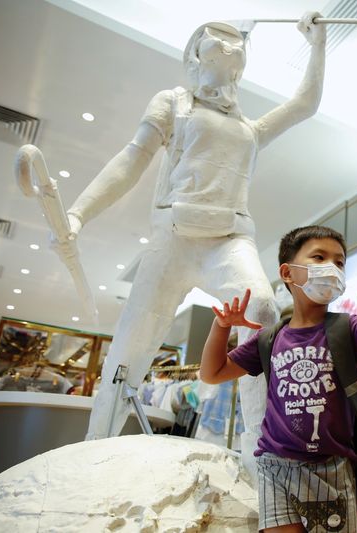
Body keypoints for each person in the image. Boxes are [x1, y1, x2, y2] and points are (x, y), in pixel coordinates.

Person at [62, 12, 328, 443]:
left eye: (233, 50)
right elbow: (132, 158)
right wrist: (79, 212)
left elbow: (305, 104)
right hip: (174, 237)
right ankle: (96, 446)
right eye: (215, 45)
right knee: (131, 344)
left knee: (260, 308)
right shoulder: (173, 103)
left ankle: (260, 447)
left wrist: (317, 44)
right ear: (195, 55)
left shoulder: (249, 128)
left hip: (229, 239)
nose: (225, 52)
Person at [200, 226, 357, 533]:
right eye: (319, 257)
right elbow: (212, 373)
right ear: (288, 272)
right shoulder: (270, 339)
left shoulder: (349, 329)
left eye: (339, 262)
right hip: (273, 467)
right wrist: (222, 327)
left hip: (329, 470)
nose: (331, 267)